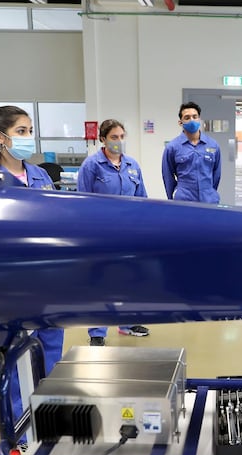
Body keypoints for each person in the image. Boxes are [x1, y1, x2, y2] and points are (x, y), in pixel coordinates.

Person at [0, 105, 64, 431]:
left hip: (48, 281)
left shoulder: (40, 176)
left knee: (51, 352)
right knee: (18, 361)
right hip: (11, 285)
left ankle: (51, 425)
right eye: (21, 131)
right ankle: (21, 436)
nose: (28, 137)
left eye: (29, 130)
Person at [77, 118, 150, 345]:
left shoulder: (132, 165)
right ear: (103, 139)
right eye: (113, 137)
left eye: (121, 137)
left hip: (129, 232)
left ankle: (127, 323)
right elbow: (82, 201)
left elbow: (142, 199)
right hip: (101, 232)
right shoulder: (92, 166)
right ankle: (97, 332)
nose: (118, 141)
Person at [162, 101, 221, 204]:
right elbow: (167, 176)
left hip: (209, 199)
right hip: (184, 200)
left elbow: (216, 174)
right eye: (187, 117)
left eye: (195, 116)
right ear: (180, 122)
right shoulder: (172, 147)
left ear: (199, 119)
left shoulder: (213, 145)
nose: (192, 120)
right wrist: (173, 199)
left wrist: (209, 192)